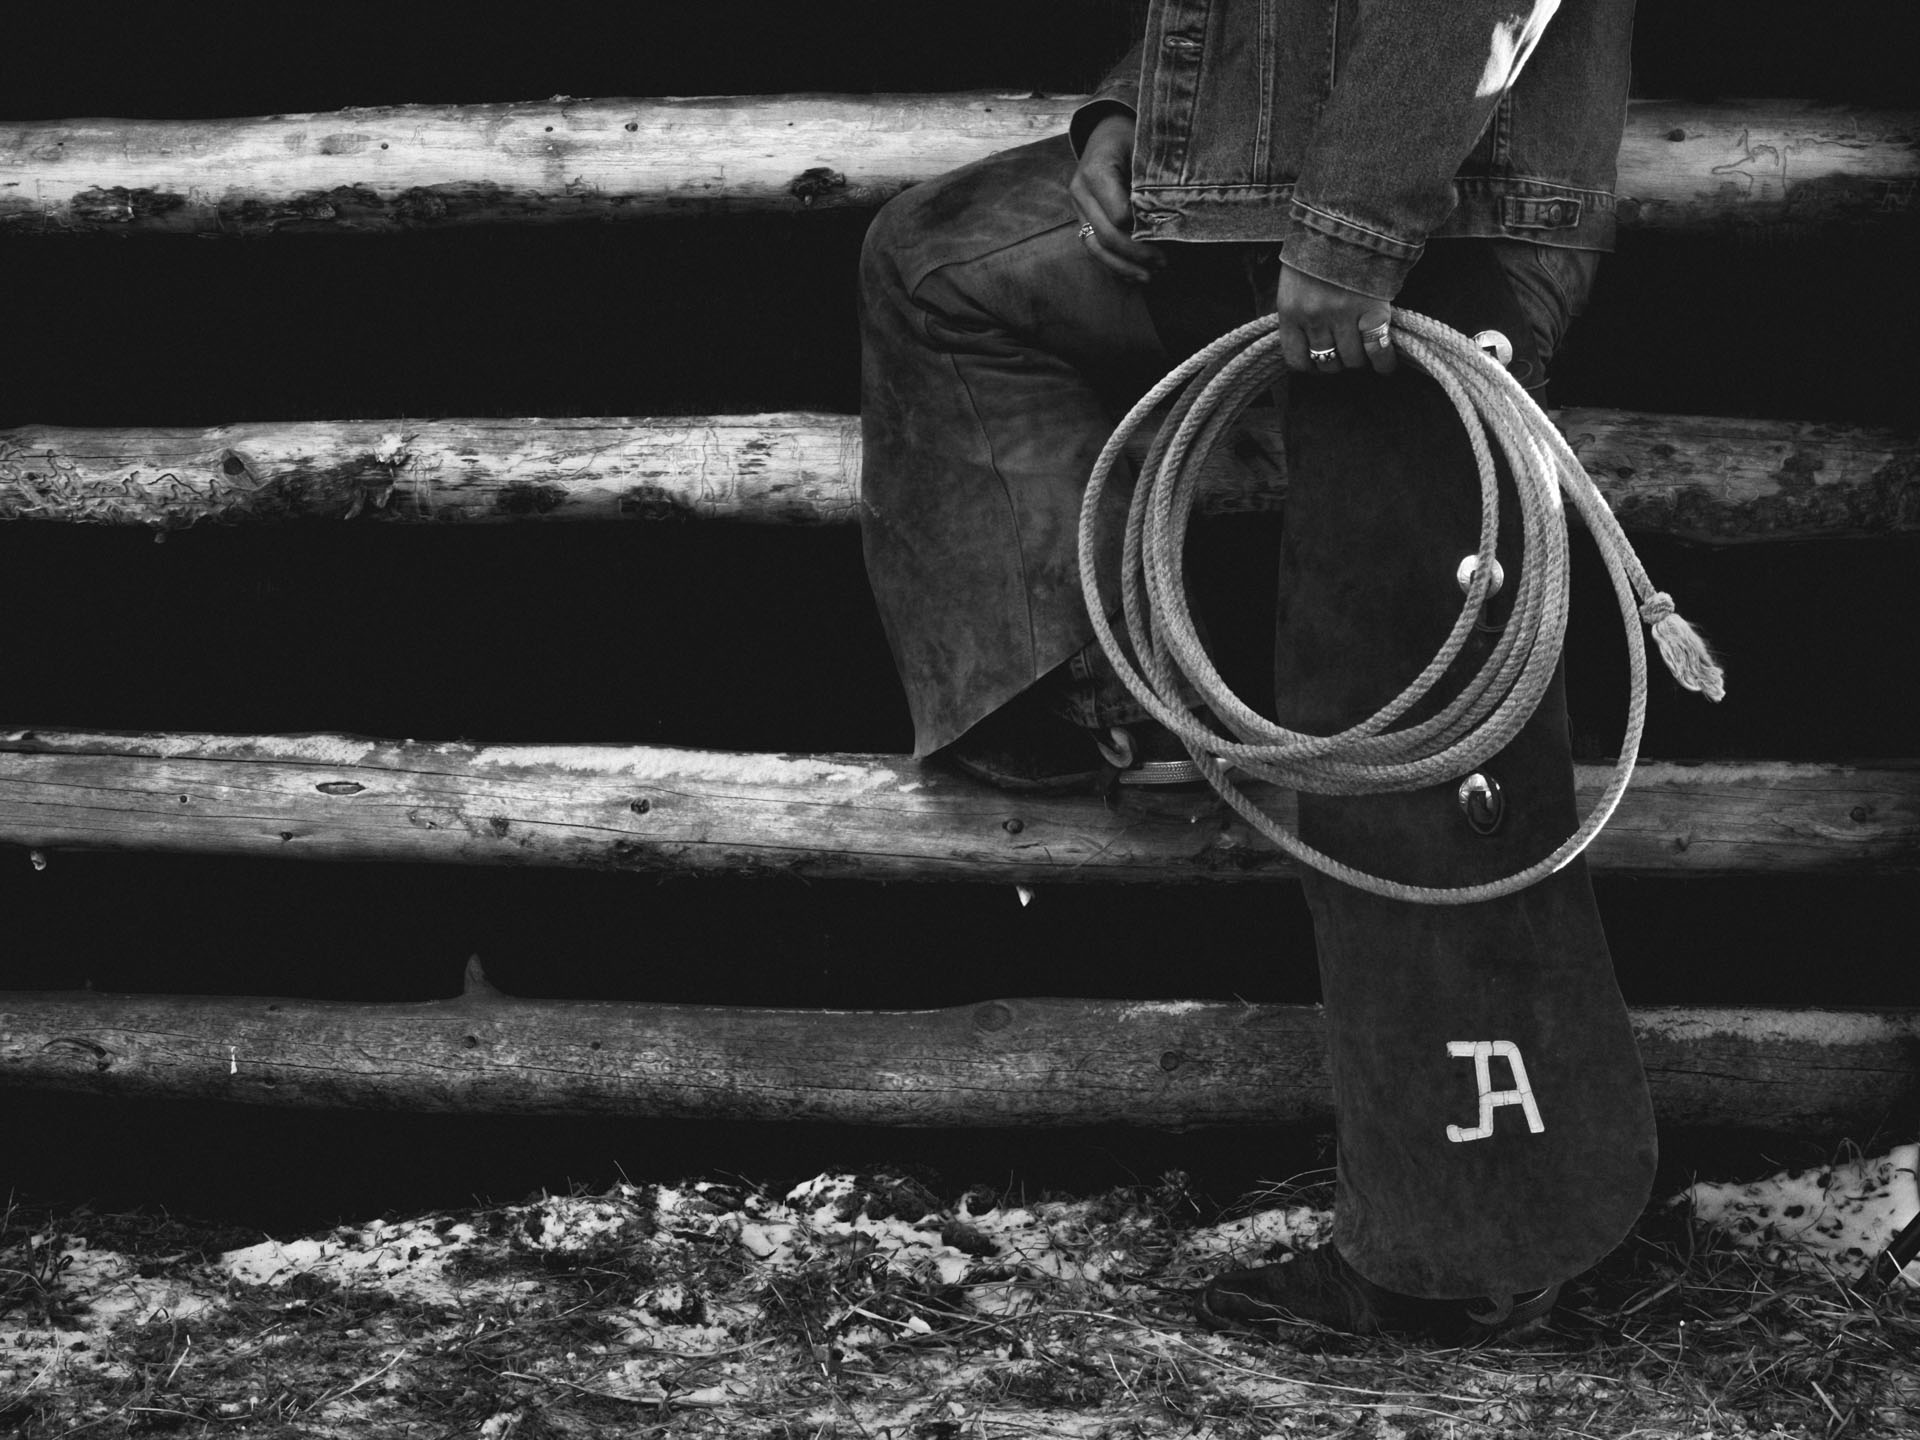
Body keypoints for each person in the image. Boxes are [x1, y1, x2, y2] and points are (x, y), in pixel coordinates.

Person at [858, 0, 1655, 1341]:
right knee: (941, 268)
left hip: (1447, 217)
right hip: (1232, 194)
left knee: (1392, 700)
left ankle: (1468, 1256)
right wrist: (1132, 119)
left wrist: (1355, 224)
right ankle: (1086, 699)